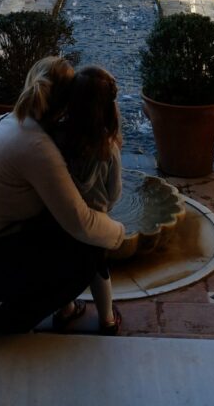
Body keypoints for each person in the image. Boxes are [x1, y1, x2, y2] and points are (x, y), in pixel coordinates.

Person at [0, 57, 125, 333]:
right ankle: (5, 322)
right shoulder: (38, 149)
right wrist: (118, 234)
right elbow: (81, 223)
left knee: (40, 224)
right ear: (68, 103)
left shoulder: (9, 121)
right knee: (86, 251)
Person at [53, 66, 123, 335]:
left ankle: (65, 309)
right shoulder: (109, 149)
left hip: (61, 218)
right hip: (96, 223)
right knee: (98, 268)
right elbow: (114, 192)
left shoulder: (57, 139)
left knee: (61, 266)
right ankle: (107, 319)